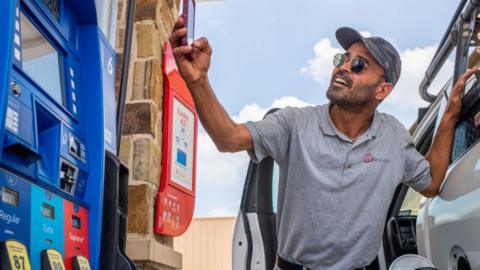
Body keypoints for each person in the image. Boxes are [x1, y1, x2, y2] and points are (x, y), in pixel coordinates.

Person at [169, 17, 477, 270]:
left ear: (382, 90)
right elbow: (229, 138)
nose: (344, 66)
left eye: (359, 65)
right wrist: (198, 81)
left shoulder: (394, 138)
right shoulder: (294, 124)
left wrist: (450, 115)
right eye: (343, 59)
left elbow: (432, 183)